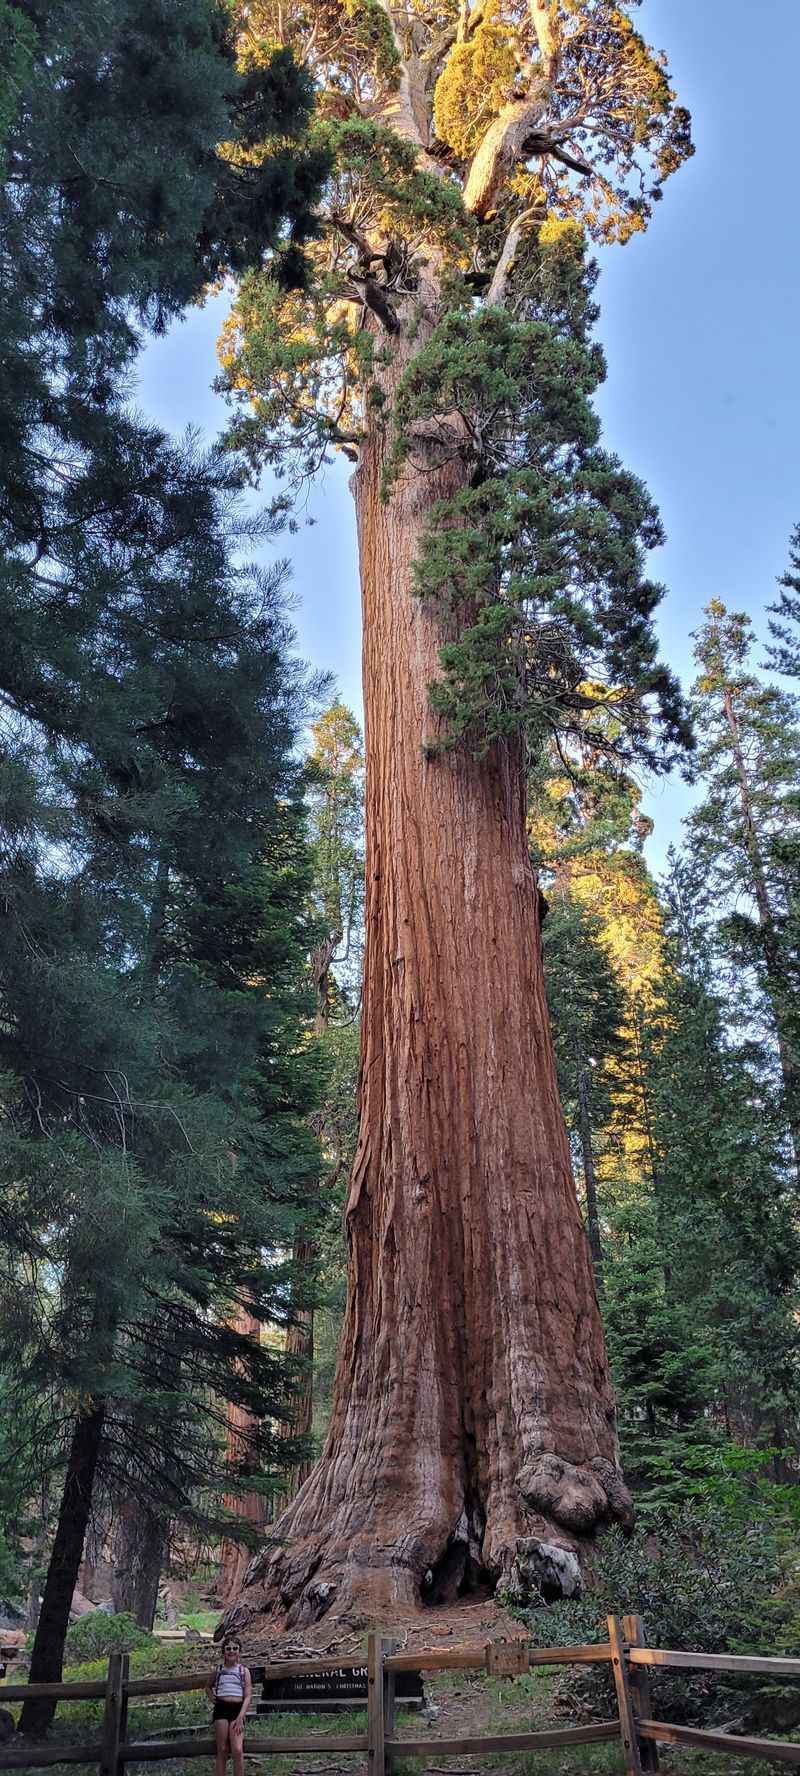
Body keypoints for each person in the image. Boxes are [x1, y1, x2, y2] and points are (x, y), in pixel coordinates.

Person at [207, 1637, 252, 1776]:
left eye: (235, 1648)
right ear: (223, 1651)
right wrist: (211, 1696)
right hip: (221, 1708)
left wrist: (241, 1716)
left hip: (237, 1710)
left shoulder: (244, 1671)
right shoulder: (219, 1670)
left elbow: (248, 1695)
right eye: (228, 1648)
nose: (231, 1651)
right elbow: (207, 1685)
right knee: (222, 1748)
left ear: (239, 1651)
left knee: (237, 1749)